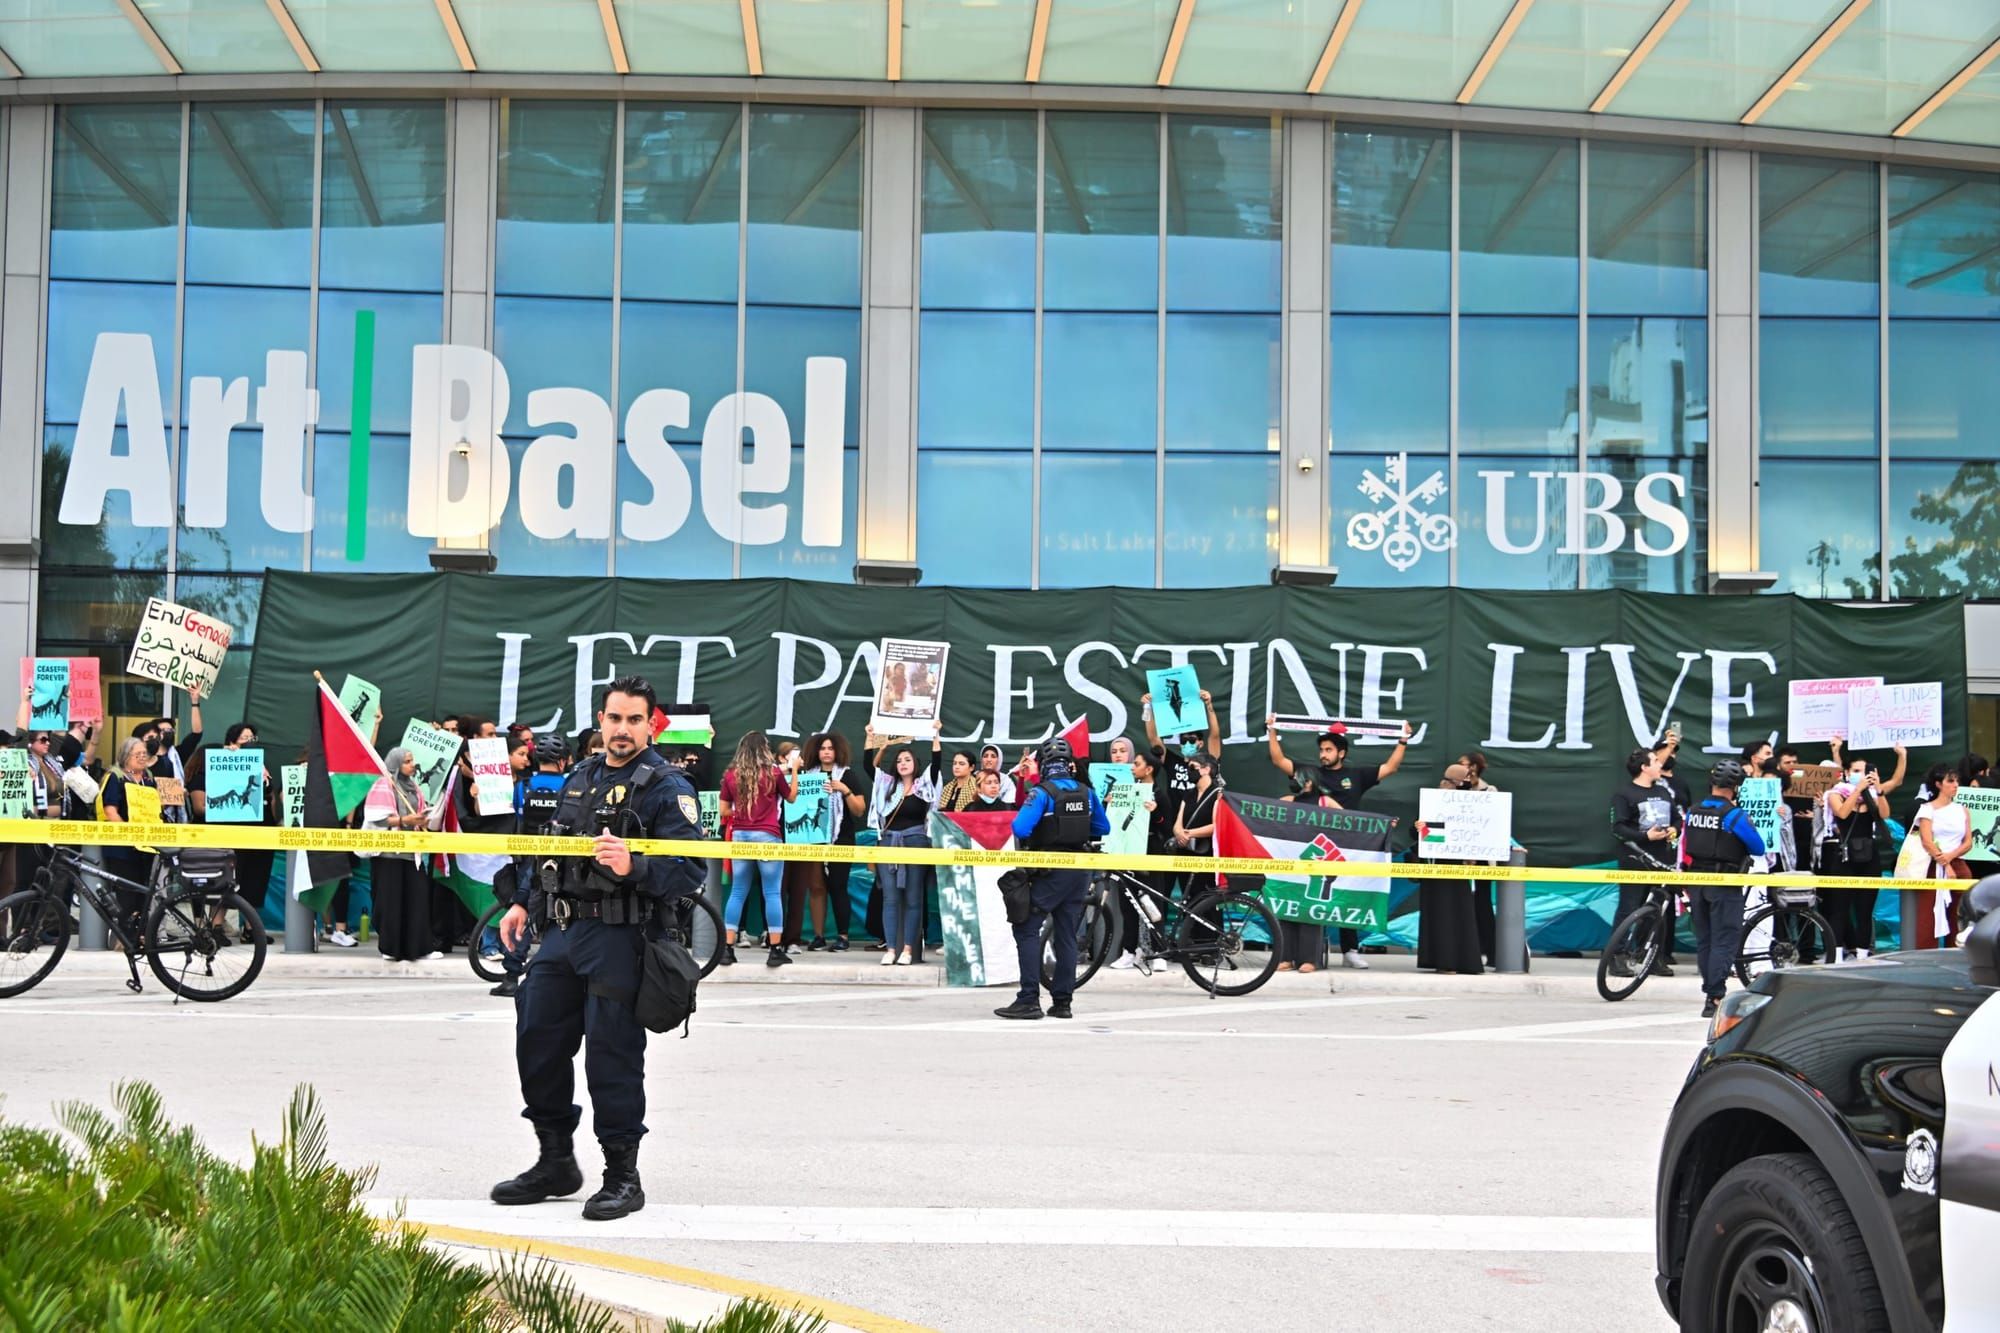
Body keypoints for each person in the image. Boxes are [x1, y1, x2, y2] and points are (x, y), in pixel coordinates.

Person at [492, 674, 704, 1222]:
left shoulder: (667, 787)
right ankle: (555, 1161)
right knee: (536, 1037)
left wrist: (635, 866)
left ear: (651, 724)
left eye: (635, 719)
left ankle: (622, 1177)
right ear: (602, 720)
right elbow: (549, 849)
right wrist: (522, 902)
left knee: (612, 1056)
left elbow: (689, 871)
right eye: (614, 718)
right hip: (562, 934)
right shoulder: (580, 775)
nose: (623, 729)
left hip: (621, 937)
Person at [995, 736, 1109, 1021]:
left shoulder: (1042, 792)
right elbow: (1103, 827)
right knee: (1067, 935)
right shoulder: (1086, 792)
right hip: (1080, 872)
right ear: (1069, 764)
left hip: (1049, 871)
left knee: (1027, 928)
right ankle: (1062, 1003)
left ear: (1044, 766)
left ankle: (1029, 998)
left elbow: (1020, 828)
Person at [1681, 760, 1768, 1018]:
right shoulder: (1734, 815)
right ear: (1735, 787)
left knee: (1705, 939)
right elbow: (1758, 847)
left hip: (1696, 880)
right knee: (1725, 939)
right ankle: (1715, 996)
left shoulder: (1693, 810)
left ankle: (1710, 990)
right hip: (1724, 882)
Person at [487, 733, 571, 997]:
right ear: (564, 760)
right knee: (565, 915)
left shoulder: (523, 786)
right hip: (564, 860)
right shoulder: (570, 785)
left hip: (529, 859)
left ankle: (512, 975)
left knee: (522, 910)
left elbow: (518, 816)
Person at [718, 730, 797, 969]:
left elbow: (723, 811)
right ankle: (774, 949)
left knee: (738, 892)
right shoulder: (773, 773)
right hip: (768, 836)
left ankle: (728, 949)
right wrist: (794, 770)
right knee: (772, 893)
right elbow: (791, 797)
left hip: (741, 836)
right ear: (764, 749)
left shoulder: (731, 775)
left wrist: (743, 813)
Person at [1608, 742, 1682, 977]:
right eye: (1655, 761)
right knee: (1629, 908)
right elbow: (1617, 828)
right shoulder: (1624, 794)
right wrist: (1645, 836)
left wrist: (1674, 829)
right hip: (1634, 859)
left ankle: (1652, 956)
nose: (1660, 764)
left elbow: (1678, 818)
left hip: (1663, 860)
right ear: (1644, 767)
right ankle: (1616, 956)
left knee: (1658, 910)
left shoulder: (1662, 791)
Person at [870, 738, 941, 965]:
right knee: (890, 898)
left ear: (915, 763)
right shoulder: (888, 785)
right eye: (899, 760)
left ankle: (908, 949)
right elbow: (867, 766)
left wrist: (936, 736)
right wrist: (877, 743)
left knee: (913, 898)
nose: (903, 763)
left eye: (907, 759)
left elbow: (937, 762)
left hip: (916, 841)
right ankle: (891, 948)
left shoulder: (924, 785)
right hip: (889, 843)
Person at [1416, 763, 1488, 975]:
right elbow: (1421, 835)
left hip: (1459, 868)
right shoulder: (1432, 803)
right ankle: (1443, 961)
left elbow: (1481, 829)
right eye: (1464, 779)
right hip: (1437, 867)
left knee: (1460, 914)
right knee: (1441, 915)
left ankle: (1464, 961)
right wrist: (1420, 827)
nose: (1467, 783)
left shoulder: (1473, 804)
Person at [368, 747, 436, 962]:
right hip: (389, 855)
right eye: (407, 761)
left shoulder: (414, 786)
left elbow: (417, 813)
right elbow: (377, 818)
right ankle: (391, 948)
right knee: (391, 903)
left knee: (417, 900)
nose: (412, 764)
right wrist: (405, 821)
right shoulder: (384, 785)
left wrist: (422, 819)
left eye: (412, 760)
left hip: (411, 853)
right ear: (396, 764)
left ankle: (418, 948)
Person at [798, 731, 864, 952]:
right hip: (814, 838)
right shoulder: (807, 776)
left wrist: (844, 790)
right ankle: (818, 936)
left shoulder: (848, 775)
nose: (826, 752)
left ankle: (843, 936)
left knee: (838, 886)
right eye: (822, 748)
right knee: (816, 887)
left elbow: (859, 810)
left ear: (838, 751)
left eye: (830, 748)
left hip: (841, 839)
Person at [1264, 716, 1412, 809]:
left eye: (1328, 750)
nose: (1323, 754)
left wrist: (1403, 740)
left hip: (1346, 837)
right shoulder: (1310, 772)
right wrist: (1272, 731)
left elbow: (1390, 768)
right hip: (1313, 832)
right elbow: (1279, 760)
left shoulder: (1357, 775)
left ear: (1341, 753)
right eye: (1321, 750)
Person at [98, 737, 159, 942]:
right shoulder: (116, 777)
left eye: (145, 754)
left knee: (145, 892)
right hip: (123, 846)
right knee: (127, 892)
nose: (143, 758)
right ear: (125, 756)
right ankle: (125, 938)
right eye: (138, 754)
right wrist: (128, 832)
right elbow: (110, 811)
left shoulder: (149, 778)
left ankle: (141, 934)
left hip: (146, 845)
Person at [1913, 764, 1974, 943]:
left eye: (1957, 781)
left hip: (1959, 865)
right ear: (1938, 784)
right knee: (1927, 916)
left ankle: (1955, 953)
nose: (1955, 785)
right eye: (1950, 781)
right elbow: (1926, 841)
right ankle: (1925, 959)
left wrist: (1951, 857)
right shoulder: (1927, 809)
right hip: (1933, 866)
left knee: (1958, 915)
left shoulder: (1962, 810)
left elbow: (1968, 842)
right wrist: (1945, 864)